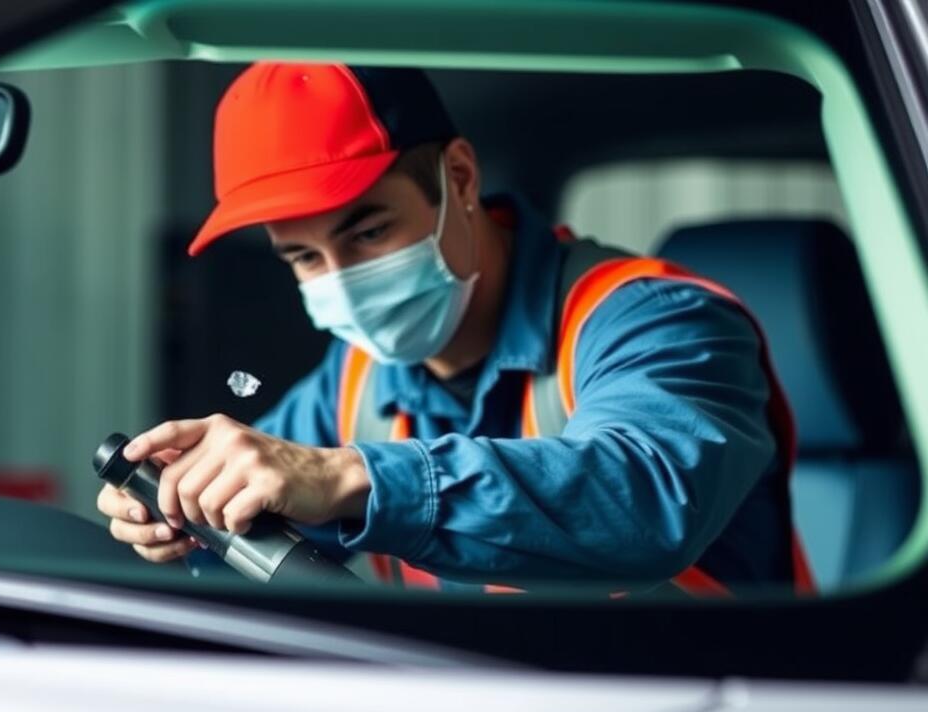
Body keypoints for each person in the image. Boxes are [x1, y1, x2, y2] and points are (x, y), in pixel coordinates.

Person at [96, 62, 813, 594]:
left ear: (460, 178)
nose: (342, 279)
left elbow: (650, 494)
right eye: (305, 257)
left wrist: (348, 476)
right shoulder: (351, 382)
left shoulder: (660, 321)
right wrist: (183, 514)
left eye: (369, 232)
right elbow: (266, 496)